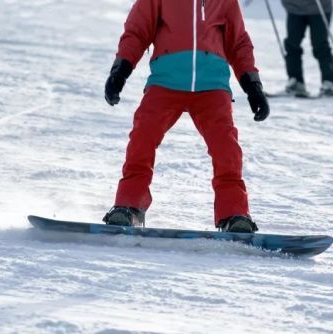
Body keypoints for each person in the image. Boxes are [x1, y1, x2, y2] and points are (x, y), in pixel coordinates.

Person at [102, 0, 270, 233]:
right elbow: (137, 31)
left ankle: (233, 214)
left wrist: (253, 86)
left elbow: (238, 42)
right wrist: (120, 71)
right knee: (142, 138)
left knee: (226, 149)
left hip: (212, 86)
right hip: (165, 82)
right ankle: (129, 207)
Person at [280, 0, 333, 98]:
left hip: (319, 8)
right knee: (292, 45)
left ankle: (330, 84)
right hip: (294, 8)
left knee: (320, 46)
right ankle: (296, 82)